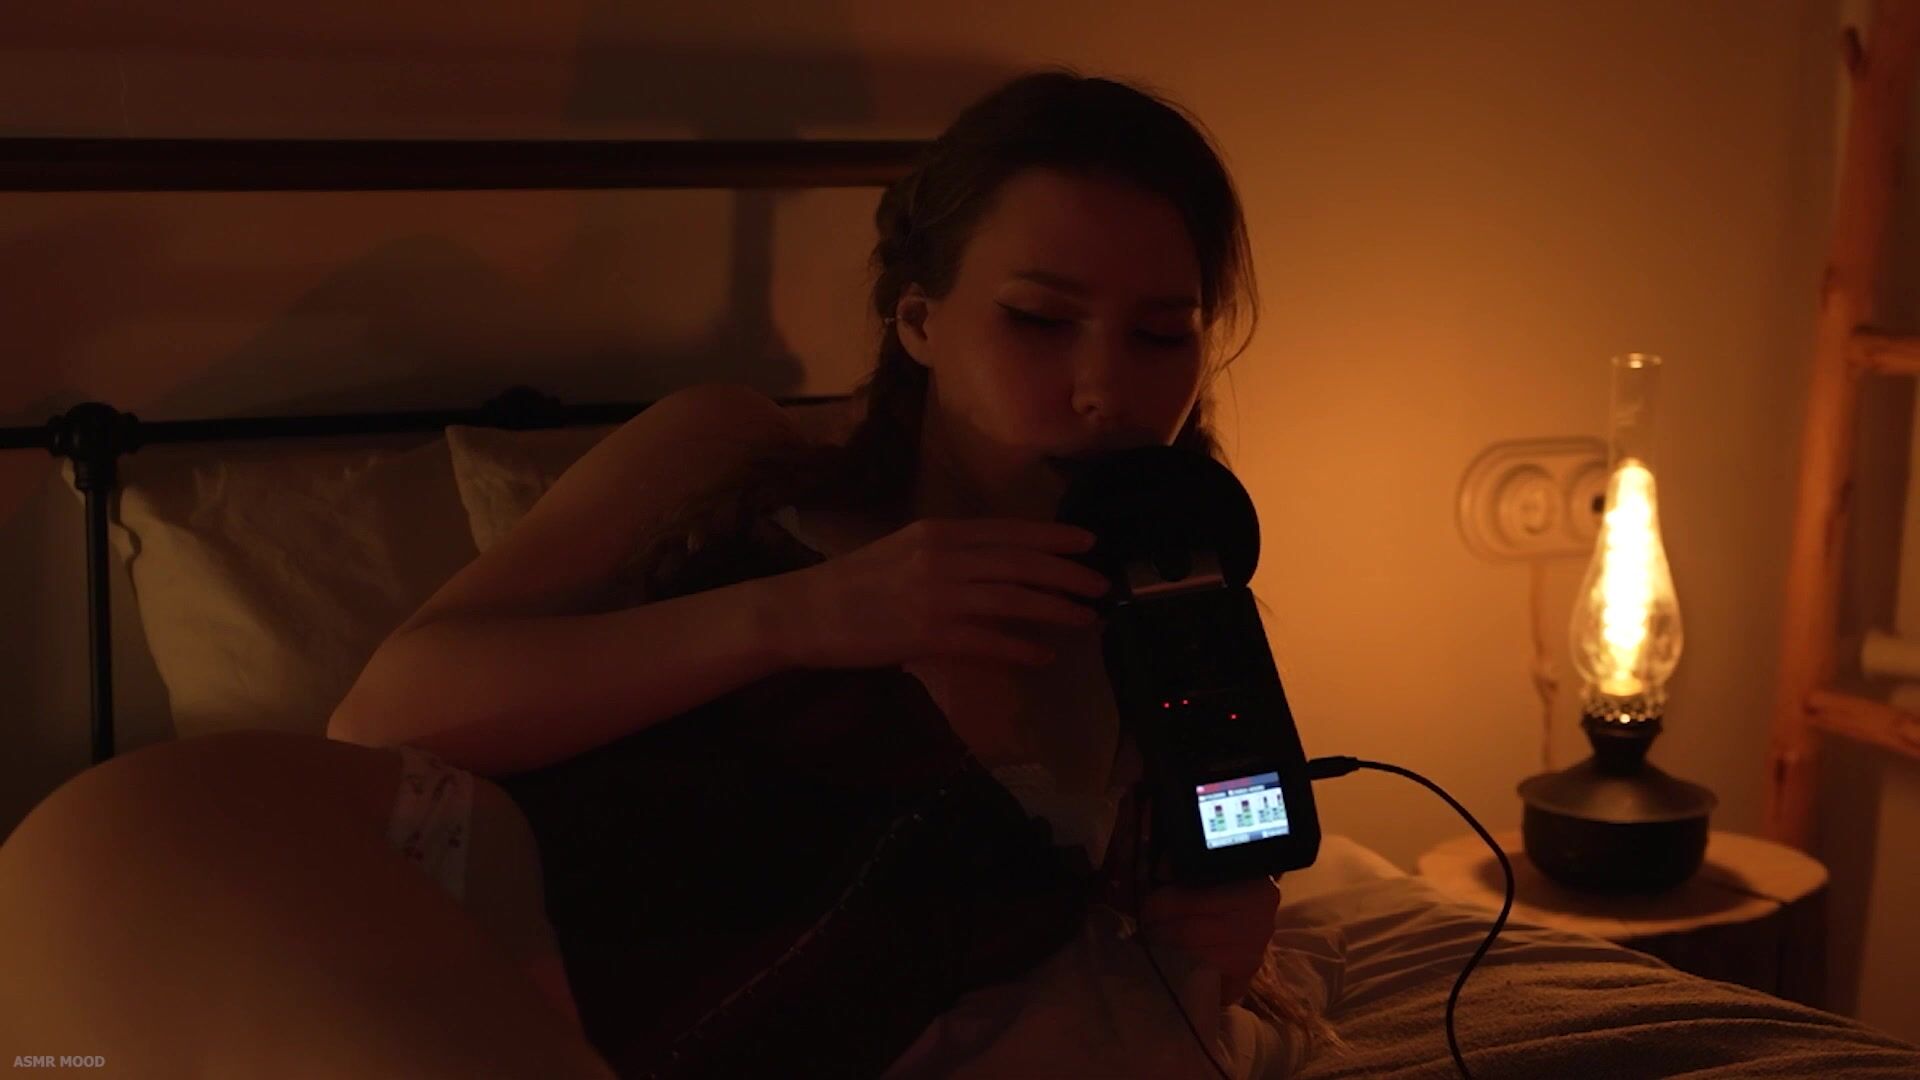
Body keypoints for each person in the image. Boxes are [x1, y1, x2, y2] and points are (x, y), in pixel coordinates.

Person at [0, 69, 1326, 1078]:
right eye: (1038, 319)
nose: (1105, 388)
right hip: (335, 882)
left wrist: (1209, 951)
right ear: (919, 319)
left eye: (1162, 335)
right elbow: (386, 714)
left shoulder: (1171, 635)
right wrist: (805, 616)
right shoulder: (735, 454)